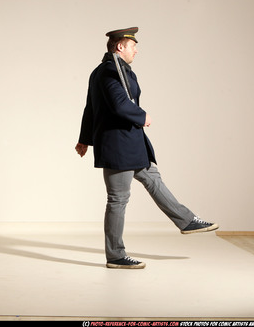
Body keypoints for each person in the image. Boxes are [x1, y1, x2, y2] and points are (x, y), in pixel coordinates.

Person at [75, 27, 218, 269]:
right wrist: (142, 116)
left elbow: (91, 109)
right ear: (120, 47)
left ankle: (186, 221)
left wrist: (85, 139)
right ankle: (116, 256)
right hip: (118, 146)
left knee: (154, 180)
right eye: (132, 46)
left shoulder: (105, 71)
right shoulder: (111, 71)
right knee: (118, 199)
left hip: (130, 145)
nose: (136, 50)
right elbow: (116, 105)